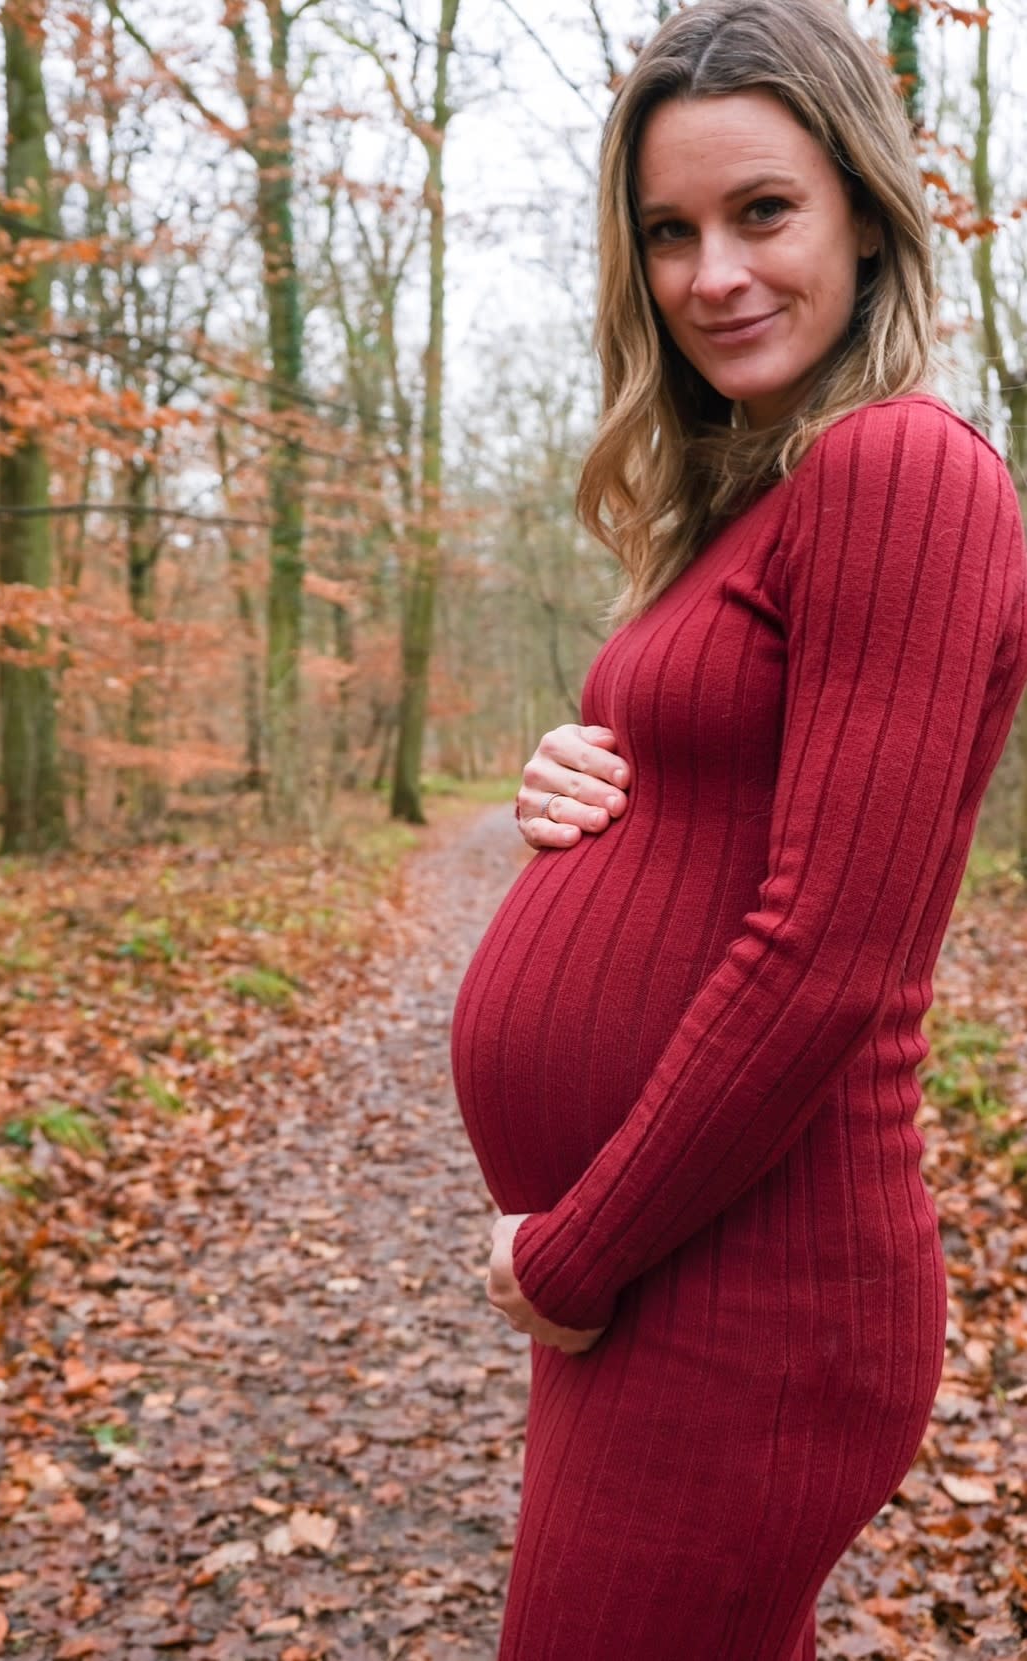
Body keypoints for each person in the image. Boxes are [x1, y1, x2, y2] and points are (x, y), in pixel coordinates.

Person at [448, 1, 1027, 1657]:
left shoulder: (902, 472)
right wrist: (576, 768)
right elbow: (721, 810)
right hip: (671, 1272)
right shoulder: (758, 498)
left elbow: (828, 954)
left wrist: (575, 1252)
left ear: (861, 207)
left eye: (761, 211)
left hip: (751, 1287)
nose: (712, 273)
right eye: (668, 231)